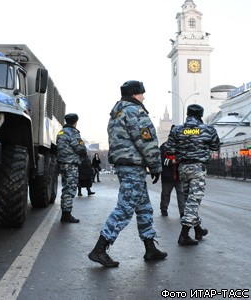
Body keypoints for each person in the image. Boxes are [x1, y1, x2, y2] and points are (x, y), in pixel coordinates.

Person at [88, 80, 167, 267]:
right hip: (133, 167)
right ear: (134, 94)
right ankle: (99, 249)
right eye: (142, 93)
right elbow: (146, 142)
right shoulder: (135, 111)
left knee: (144, 208)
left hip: (125, 165)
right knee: (124, 209)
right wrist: (155, 166)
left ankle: (150, 248)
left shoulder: (117, 112)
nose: (144, 97)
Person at [165, 104, 220, 246]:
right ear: (200, 115)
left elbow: (169, 150)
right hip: (197, 168)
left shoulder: (177, 130)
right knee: (193, 201)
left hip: (183, 168)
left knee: (190, 199)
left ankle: (198, 230)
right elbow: (215, 147)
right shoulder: (208, 129)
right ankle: (184, 235)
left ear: (188, 114)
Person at [56, 113, 87, 223]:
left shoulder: (61, 132)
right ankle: (66, 215)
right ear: (75, 122)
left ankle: (65, 213)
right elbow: (80, 148)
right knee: (70, 189)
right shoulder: (73, 132)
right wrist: (84, 150)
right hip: (71, 164)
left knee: (66, 188)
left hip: (62, 164)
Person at [159, 136, 186, 217]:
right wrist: (172, 162)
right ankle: (164, 209)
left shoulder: (181, 147)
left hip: (179, 175)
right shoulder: (164, 147)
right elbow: (161, 160)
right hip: (168, 175)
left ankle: (182, 212)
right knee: (165, 194)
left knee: (181, 194)